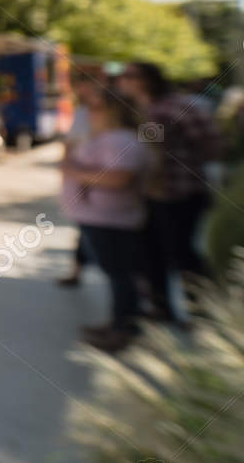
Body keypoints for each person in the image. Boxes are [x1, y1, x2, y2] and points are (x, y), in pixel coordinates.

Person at [117, 61, 218, 319]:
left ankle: (203, 311)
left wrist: (178, 160)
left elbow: (212, 145)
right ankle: (161, 307)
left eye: (129, 75)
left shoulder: (176, 107)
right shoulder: (134, 110)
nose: (122, 80)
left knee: (181, 254)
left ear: (147, 80)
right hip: (149, 194)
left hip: (180, 193)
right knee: (150, 252)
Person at [61, 88, 149, 352]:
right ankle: (119, 322)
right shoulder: (112, 137)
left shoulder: (119, 139)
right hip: (103, 217)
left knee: (120, 274)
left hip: (110, 219)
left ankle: (123, 329)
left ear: (114, 111)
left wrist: (75, 172)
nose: (89, 113)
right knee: (117, 273)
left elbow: (119, 177)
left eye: (97, 107)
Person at [57, 74, 101, 288]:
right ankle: (76, 271)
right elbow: (71, 143)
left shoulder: (108, 113)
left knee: (90, 228)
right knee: (84, 226)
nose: (82, 91)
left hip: (99, 176)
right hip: (84, 175)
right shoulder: (83, 112)